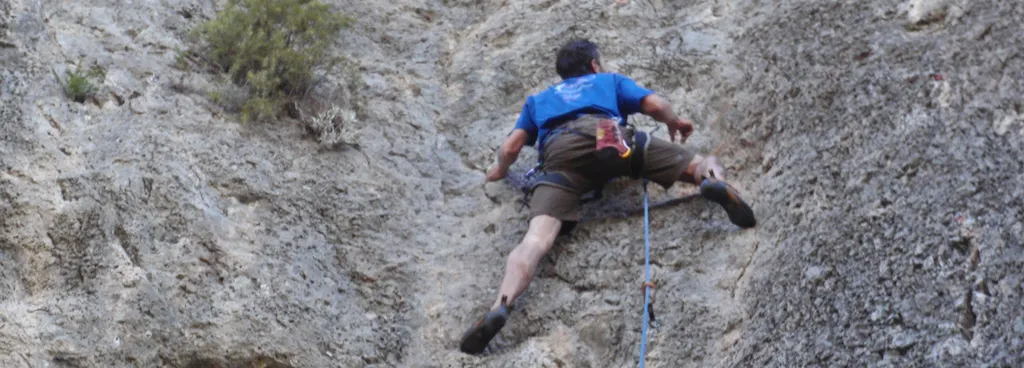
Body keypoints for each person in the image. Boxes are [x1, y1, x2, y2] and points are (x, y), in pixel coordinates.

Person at [458, 39, 757, 355]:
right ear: (593, 65)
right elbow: (655, 105)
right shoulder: (607, 82)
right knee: (699, 162)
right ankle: (713, 181)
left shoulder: (539, 101)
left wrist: (500, 171)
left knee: (536, 240)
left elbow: (510, 149)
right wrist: (674, 122)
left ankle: (501, 304)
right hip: (606, 135)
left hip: (560, 155)